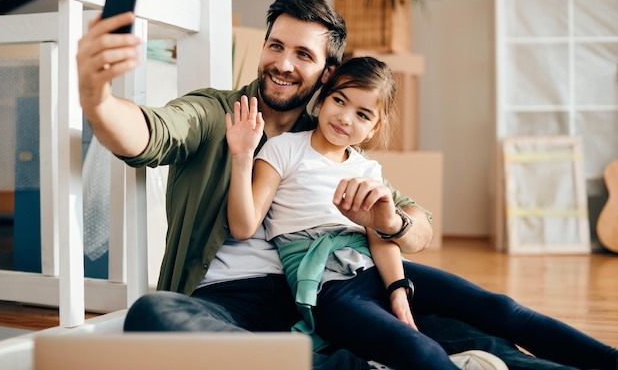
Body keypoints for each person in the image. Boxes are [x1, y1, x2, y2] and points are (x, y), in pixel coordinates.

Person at [75, 0, 617, 370]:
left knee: (483, 334)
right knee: (154, 315)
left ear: (327, 72)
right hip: (235, 302)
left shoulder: (335, 141)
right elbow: (150, 133)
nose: (283, 63)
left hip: (342, 287)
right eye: (275, 46)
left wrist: (395, 228)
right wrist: (97, 99)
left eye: (304, 54)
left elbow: (413, 222)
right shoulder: (219, 113)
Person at [224, 56, 618, 370]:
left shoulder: (366, 169)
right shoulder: (283, 150)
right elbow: (244, 226)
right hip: (329, 286)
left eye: (363, 114)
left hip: (377, 267)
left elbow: (380, 236)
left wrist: (398, 293)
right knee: (416, 348)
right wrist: (243, 155)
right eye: (340, 101)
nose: (345, 118)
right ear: (323, 98)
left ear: (375, 127)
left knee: (501, 308)